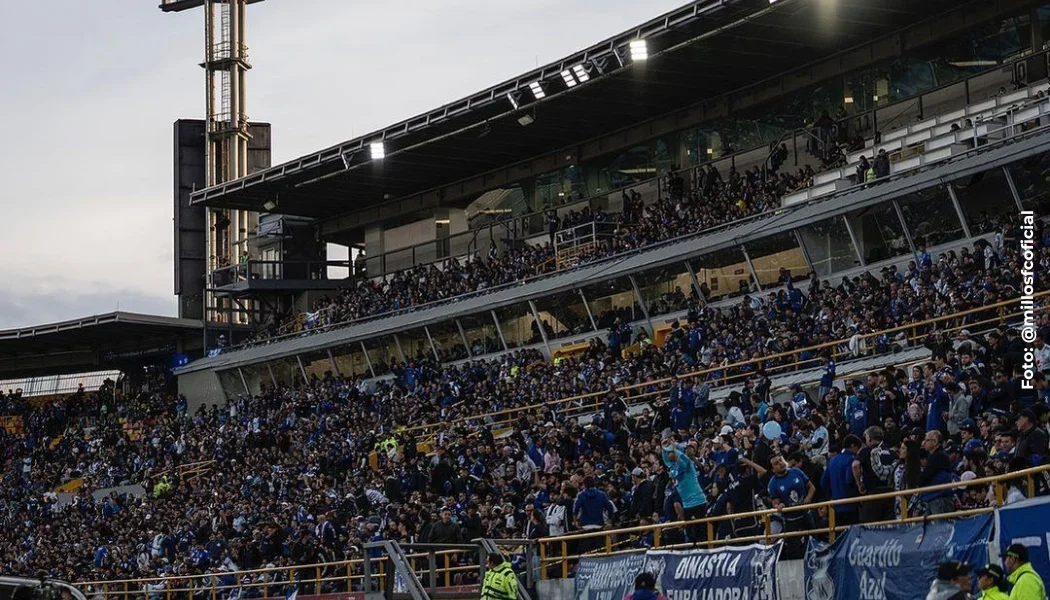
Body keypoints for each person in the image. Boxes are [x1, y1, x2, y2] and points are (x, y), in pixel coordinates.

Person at [821, 435, 862, 526]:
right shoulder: (852, 459)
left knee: (840, 535)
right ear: (853, 446)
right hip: (851, 504)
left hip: (836, 505)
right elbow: (849, 479)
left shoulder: (832, 461)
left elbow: (823, 482)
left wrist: (830, 497)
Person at [919, 430, 955, 515]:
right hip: (934, 498)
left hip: (939, 499)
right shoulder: (934, 456)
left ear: (935, 442)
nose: (923, 443)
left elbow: (924, 477)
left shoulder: (938, 456)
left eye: (927, 440)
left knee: (940, 526)